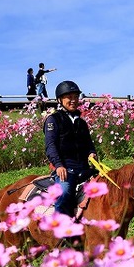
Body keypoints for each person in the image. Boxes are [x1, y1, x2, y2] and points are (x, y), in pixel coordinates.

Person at [44, 80, 97, 217]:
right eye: (69, 97)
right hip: (65, 169)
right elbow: (51, 146)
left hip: (84, 169)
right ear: (60, 100)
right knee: (65, 192)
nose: (73, 100)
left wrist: (92, 153)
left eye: (75, 97)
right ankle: (59, 230)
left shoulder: (81, 122)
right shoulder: (53, 120)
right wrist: (59, 165)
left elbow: (89, 144)